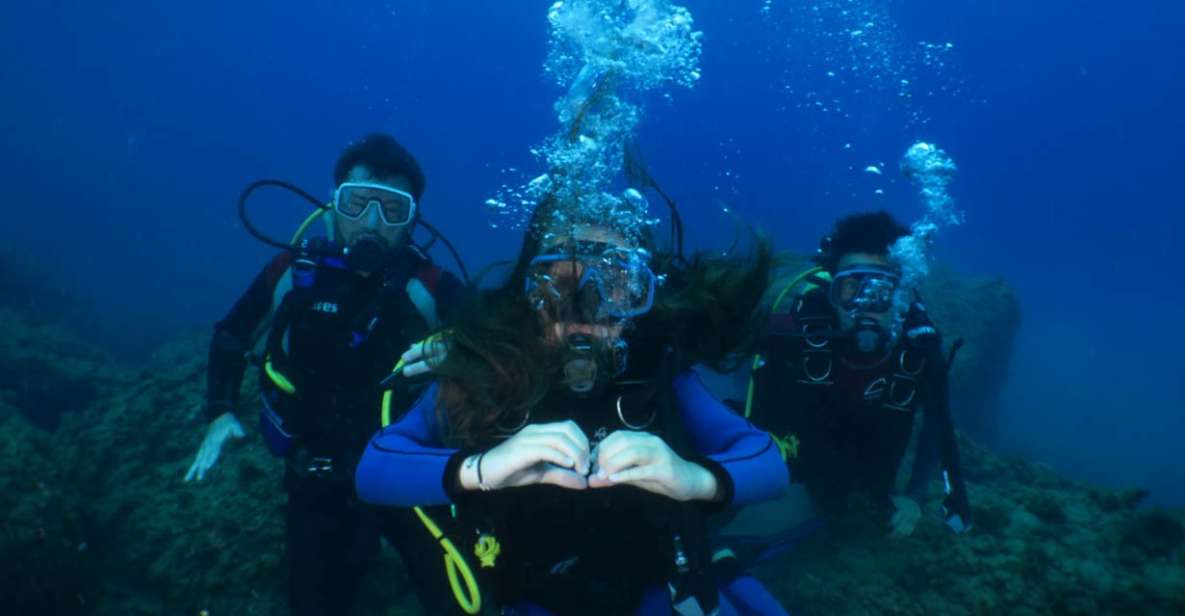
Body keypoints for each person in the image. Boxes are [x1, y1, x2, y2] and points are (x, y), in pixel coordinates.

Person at [355, 197, 791, 616]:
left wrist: (693, 478)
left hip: (657, 588)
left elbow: (769, 462)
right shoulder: (491, 369)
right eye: (560, 282)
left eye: (615, 284)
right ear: (529, 293)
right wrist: (483, 468)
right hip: (531, 596)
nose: (586, 307)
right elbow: (374, 469)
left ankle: (727, 566)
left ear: (642, 296)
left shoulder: (658, 372)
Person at [184, 133, 467, 615]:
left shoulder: (431, 287)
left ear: (413, 218)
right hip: (315, 482)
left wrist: (464, 349)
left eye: (392, 210)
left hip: (412, 480)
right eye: (358, 204)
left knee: (462, 599)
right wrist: (219, 411)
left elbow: (502, 347)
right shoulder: (292, 272)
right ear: (334, 205)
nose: (372, 224)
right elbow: (232, 334)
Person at [742, 211, 972, 540]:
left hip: (873, 472)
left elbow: (937, 425)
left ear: (903, 294)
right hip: (798, 462)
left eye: (883, 291)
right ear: (832, 289)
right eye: (852, 288)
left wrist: (913, 496)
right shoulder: (794, 331)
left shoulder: (920, 346)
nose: (866, 306)